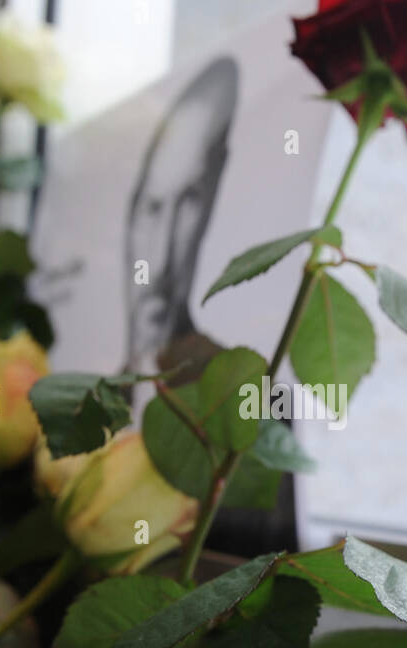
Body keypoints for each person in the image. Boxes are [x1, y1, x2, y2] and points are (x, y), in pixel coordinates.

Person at [124, 57, 239, 401]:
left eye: (188, 204)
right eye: (152, 210)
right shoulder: (85, 404)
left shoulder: (245, 401)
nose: (159, 261)